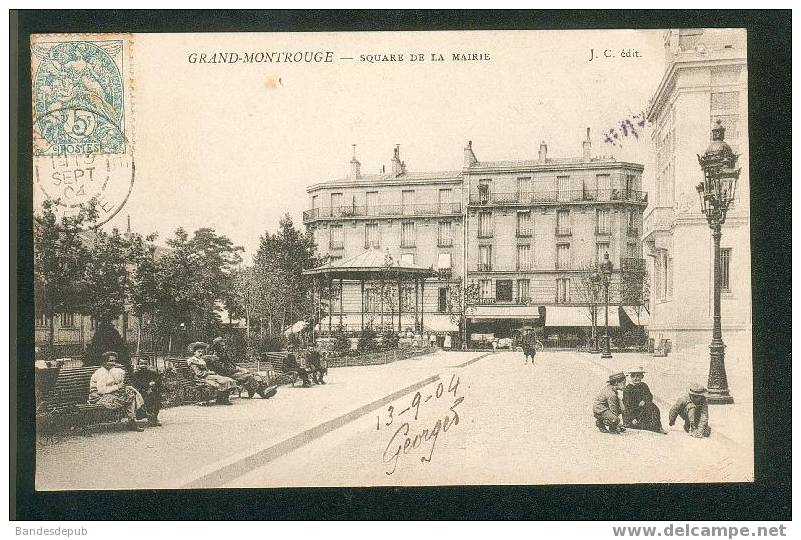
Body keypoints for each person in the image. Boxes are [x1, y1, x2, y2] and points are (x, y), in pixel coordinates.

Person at [89, 352, 145, 431]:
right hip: (98, 397)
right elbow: (101, 391)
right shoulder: (101, 373)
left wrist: (120, 387)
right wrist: (117, 387)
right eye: (110, 361)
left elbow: (111, 386)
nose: (113, 363)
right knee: (127, 396)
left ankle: (131, 421)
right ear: (104, 362)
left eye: (114, 361)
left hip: (109, 395)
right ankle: (132, 421)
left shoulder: (110, 371)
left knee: (130, 394)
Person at [622, 367, 667, 434]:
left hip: (641, 410)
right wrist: (632, 418)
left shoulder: (644, 386)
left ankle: (658, 426)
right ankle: (636, 423)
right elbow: (627, 406)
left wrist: (644, 401)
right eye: (633, 376)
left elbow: (649, 396)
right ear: (631, 377)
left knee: (654, 407)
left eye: (638, 376)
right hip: (632, 412)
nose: (635, 378)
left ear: (642, 377)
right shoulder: (628, 389)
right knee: (639, 425)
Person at [131, 358, 163, 426]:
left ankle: (153, 418)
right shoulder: (136, 374)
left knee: (156, 396)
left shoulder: (152, 373)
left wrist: (152, 387)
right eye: (141, 364)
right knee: (145, 397)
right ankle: (144, 415)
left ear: (148, 365)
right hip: (140, 391)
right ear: (138, 365)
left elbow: (158, 382)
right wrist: (147, 386)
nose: (143, 366)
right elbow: (136, 384)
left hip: (151, 390)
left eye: (145, 364)